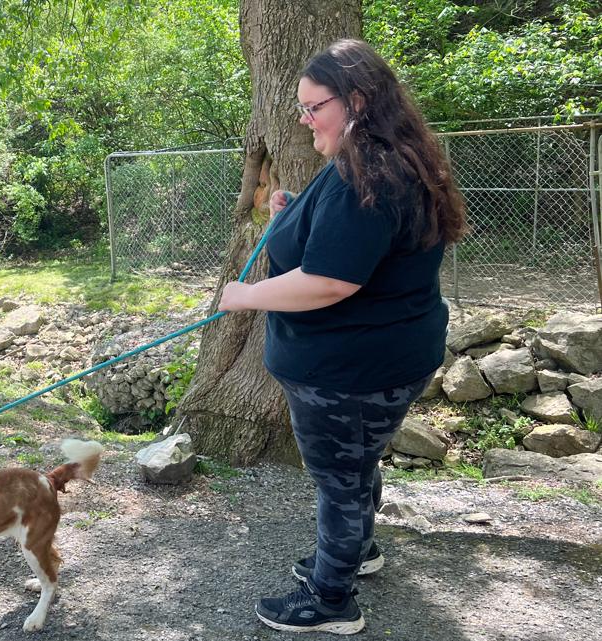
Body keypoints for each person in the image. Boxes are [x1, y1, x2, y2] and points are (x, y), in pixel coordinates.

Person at [215, 39, 467, 635]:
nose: (304, 122)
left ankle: (331, 599)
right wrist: (297, 209)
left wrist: (246, 295)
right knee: (357, 463)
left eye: (312, 107)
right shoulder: (378, 161)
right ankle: (357, 551)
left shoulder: (370, 174)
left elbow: (329, 281)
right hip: (378, 358)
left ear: (356, 100)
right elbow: (353, 235)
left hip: (353, 368)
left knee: (341, 480)